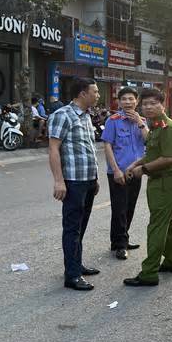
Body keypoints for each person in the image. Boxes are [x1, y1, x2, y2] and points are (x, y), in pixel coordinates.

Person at [123, 88, 172, 287]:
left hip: (165, 181)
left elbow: (169, 158)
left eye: (152, 104)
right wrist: (136, 164)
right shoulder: (156, 127)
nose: (147, 108)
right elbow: (153, 154)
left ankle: (149, 272)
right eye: (145, 104)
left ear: (162, 105)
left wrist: (144, 169)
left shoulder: (168, 128)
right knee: (168, 222)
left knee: (157, 225)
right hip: (159, 181)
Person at [47, 78, 101, 291]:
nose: (98, 95)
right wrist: (59, 181)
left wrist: (94, 179)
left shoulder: (87, 116)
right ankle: (72, 276)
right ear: (82, 93)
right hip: (73, 182)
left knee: (81, 226)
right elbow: (53, 149)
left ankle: (76, 265)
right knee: (72, 228)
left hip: (87, 180)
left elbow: (87, 150)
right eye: (95, 92)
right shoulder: (63, 115)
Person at [102, 87, 149, 260]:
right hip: (119, 172)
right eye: (124, 99)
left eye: (131, 99)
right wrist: (115, 170)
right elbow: (107, 146)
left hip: (135, 172)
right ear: (119, 102)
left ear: (136, 101)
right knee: (119, 208)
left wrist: (139, 122)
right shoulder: (112, 121)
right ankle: (120, 245)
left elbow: (148, 140)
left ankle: (123, 239)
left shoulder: (142, 121)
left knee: (130, 206)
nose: (128, 102)